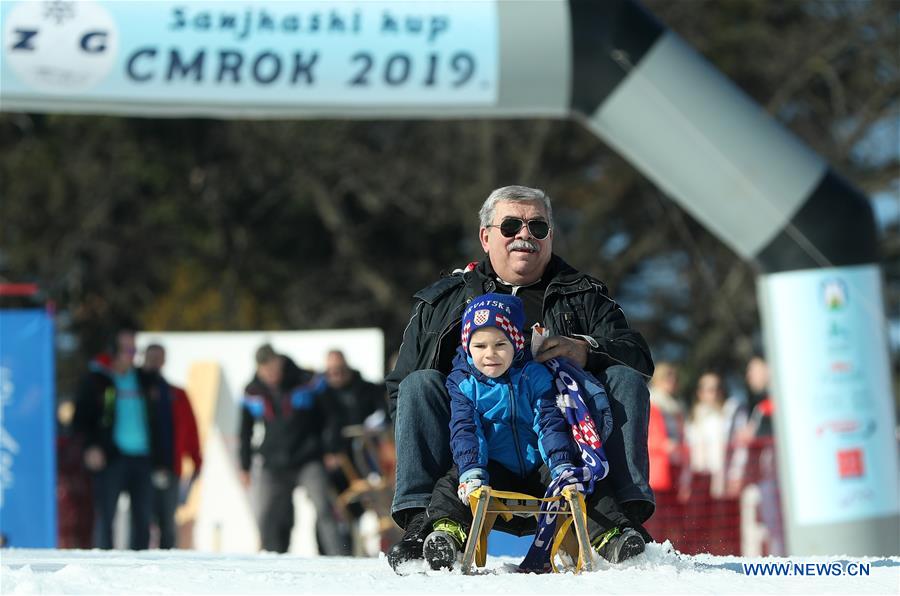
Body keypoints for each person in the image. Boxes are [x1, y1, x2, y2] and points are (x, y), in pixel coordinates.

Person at [385, 185, 655, 568]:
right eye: (511, 226)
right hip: (473, 454)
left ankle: (622, 527)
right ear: (486, 236)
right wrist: (458, 442)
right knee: (418, 384)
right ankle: (423, 528)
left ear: (550, 236)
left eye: (537, 227)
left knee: (626, 379)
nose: (524, 235)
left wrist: (586, 349)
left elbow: (640, 356)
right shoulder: (442, 303)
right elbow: (401, 390)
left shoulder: (584, 295)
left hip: (564, 451)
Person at [411, 293, 644, 572]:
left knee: (588, 484)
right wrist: (471, 472)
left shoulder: (533, 375)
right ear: (467, 346)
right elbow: (465, 429)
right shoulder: (463, 383)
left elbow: (549, 423)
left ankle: (612, 537)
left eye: (500, 344)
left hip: (539, 466)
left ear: (516, 343)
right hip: (493, 467)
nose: (490, 354)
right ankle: (447, 535)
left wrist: (562, 467)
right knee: (449, 487)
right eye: (480, 345)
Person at [238, 344, 346, 555]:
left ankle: (337, 555)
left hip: (308, 458)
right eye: (265, 372)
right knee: (271, 515)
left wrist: (332, 448)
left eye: (274, 370)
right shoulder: (252, 391)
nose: (271, 376)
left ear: (280, 363)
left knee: (324, 508)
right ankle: (272, 556)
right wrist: (244, 465)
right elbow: (245, 431)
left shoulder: (308, 382)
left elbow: (332, 416)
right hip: (273, 462)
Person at [73, 329, 164, 550]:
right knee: (106, 517)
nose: (131, 355)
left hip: (142, 457)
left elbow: (160, 420)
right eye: (127, 349)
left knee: (144, 518)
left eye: (134, 349)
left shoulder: (144, 380)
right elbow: (81, 420)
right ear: (113, 351)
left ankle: (141, 565)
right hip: (112, 457)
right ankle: (104, 565)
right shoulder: (99, 381)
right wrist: (91, 447)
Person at [141, 343, 203, 549]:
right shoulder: (135, 391)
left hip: (170, 467)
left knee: (168, 522)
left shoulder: (176, 395)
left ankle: (167, 564)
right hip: (141, 468)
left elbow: (191, 429)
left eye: (159, 357)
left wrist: (196, 459)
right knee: (141, 522)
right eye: (152, 357)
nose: (155, 362)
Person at [645, 362, 687, 546]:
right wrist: (663, 445)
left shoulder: (676, 407)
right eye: (667, 377)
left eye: (674, 377)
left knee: (674, 515)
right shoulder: (651, 403)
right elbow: (644, 436)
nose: (671, 381)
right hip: (657, 469)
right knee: (658, 516)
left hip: (675, 466)